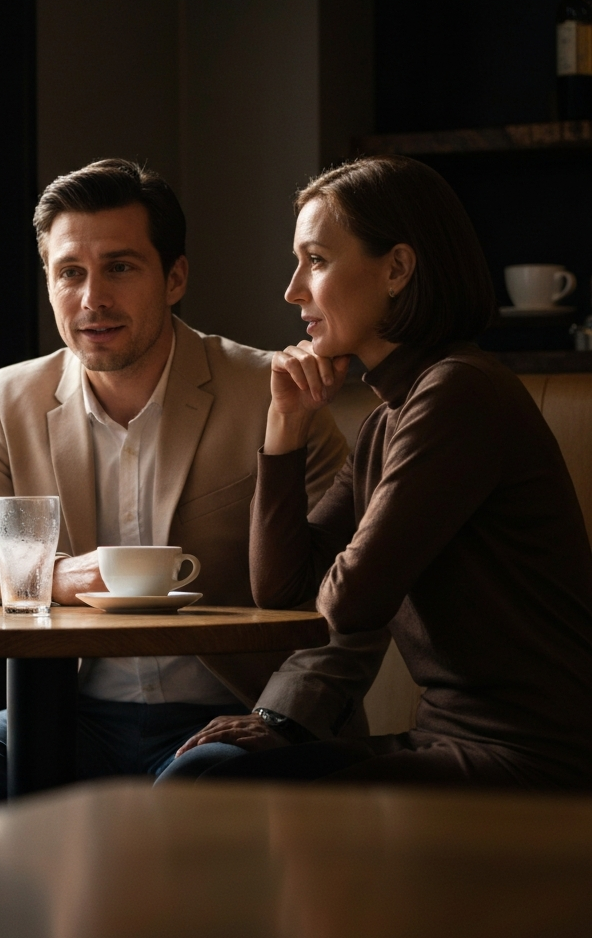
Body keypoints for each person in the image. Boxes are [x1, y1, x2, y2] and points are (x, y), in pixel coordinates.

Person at [0, 159, 391, 805]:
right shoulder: (13, 396)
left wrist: (283, 716)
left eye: (121, 268)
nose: (92, 299)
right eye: (70, 273)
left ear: (175, 277)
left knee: (183, 801)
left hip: (235, 713)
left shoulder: (268, 392)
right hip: (70, 719)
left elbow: (354, 600)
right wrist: (50, 574)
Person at [159, 155, 592, 788]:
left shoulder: (458, 395)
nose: (293, 290)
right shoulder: (390, 419)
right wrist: (285, 426)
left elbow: (352, 601)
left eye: (317, 260)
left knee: (213, 789)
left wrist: (288, 713)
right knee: (203, 773)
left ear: (397, 268)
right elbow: (279, 588)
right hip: (444, 737)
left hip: (532, 757)